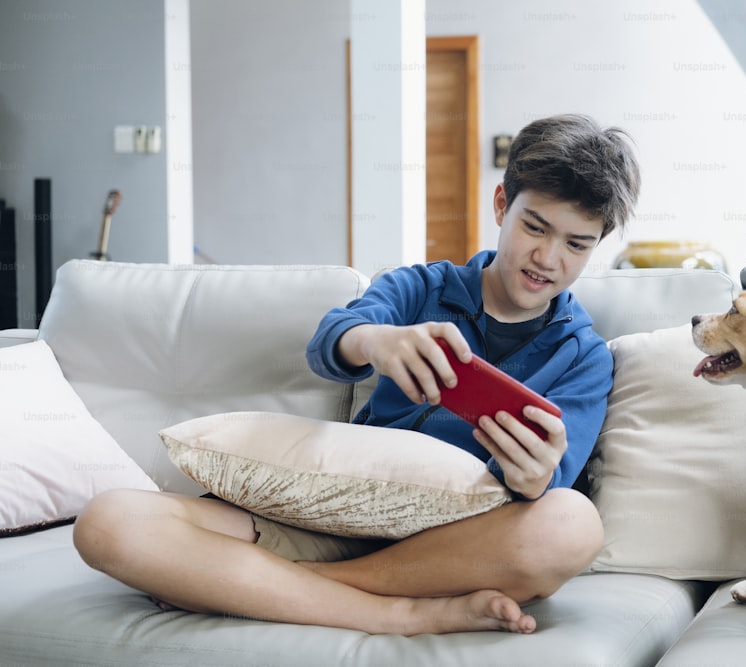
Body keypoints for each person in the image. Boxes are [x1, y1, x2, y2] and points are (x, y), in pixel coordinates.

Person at [73, 113, 641, 636]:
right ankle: (395, 614)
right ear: (501, 205)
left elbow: (549, 486)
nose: (548, 257)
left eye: (576, 244)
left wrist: (537, 474)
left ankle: (257, 583)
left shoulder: (583, 355)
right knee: (109, 522)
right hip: (318, 514)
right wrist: (375, 340)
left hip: (446, 549)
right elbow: (332, 338)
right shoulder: (421, 287)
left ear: (596, 247)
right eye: (535, 227)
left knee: (571, 524)